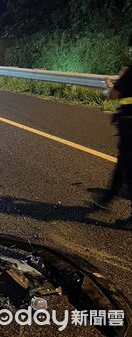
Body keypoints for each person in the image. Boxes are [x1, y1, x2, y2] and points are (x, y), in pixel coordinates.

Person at [92, 39, 132, 224]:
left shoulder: (129, 73)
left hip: (129, 126)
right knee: (123, 164)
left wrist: (109, 86)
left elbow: (113, 96)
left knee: (127, 167)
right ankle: (106, 198)